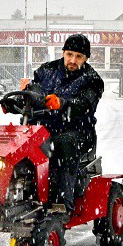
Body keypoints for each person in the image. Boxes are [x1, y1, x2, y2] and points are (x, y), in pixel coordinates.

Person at [28, 33, 104, 215]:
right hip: (43, 129)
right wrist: (15, 102)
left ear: (85, 59)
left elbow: (85, 105)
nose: (72, 60)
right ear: (63, 53)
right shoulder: (46, 71)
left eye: (78, 56)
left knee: (63, 144)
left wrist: (63, 104)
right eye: (69, 54)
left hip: (78, 131)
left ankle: (63, 202)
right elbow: (33, 91)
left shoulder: (92, 80)